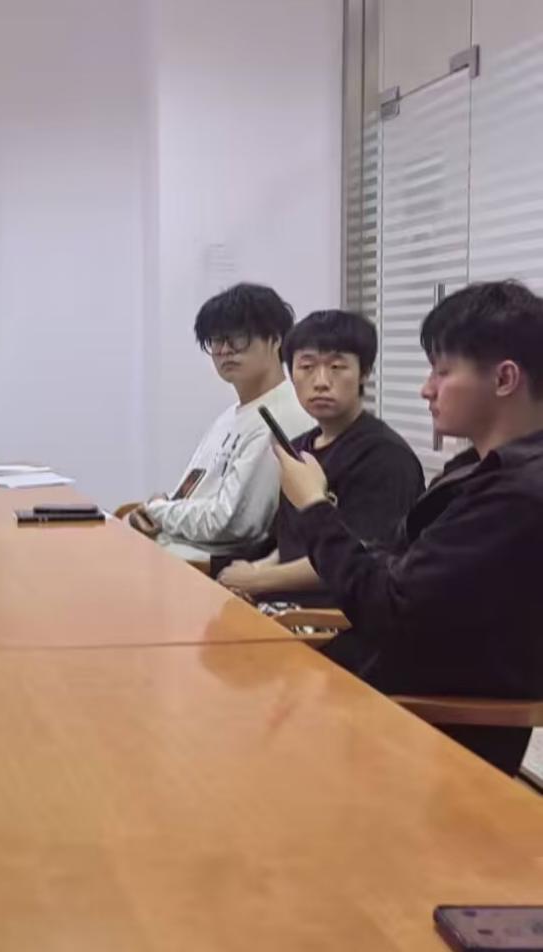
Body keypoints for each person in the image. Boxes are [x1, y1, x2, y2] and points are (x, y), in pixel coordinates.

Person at [276, 281, 543, 774]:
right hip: (372, 682)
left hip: (421, 726)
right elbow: (392, 562)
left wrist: (314, 506)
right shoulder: (477, 468)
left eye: (443, 372)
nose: (426, 389)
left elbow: (387, 607)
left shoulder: (517, 495)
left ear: (505, 378)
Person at [217, 310, 423, 604]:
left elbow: (360, 557)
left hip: (338, 615)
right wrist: (255, 571)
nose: (321, 382)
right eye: (307, 367)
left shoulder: (385, 457)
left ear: (364, 372)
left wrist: (259, 580)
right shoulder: (300, 447)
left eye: (337, 367)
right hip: (286, 605)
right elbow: (292, 543)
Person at [129, 283, 313, 561]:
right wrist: (155, 510)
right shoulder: (232, 416)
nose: (225, 350)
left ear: (275, 340)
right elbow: (191, 496)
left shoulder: (282, 416)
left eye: (238, 338)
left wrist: (158, 511)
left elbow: (231, 522)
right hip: (174, 548)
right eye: (215, 340)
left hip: (208, 566)